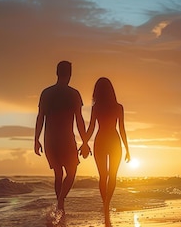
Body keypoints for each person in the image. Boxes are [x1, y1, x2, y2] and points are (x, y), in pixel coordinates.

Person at [34, 61, 88, 212]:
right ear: (70, 74)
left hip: (49, 139)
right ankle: (61, 201)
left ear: (57, 73)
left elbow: (40, 117)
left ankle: (60, 207)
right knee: (71, 172)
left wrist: (36, 139)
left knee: (58, 173)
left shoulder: (46, 93)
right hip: (66, 139)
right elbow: (79, 120)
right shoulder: (74, 94)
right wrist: (84, 141)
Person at [81, 77, 130, 214]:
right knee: (112, 175)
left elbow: (91, 128)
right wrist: (127, 149)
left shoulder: (97, 108)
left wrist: (85, 143)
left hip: (101, 140)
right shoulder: (118, 107)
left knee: (103, 175)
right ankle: (107, 203)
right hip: (114, 141)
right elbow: (122, 129)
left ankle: (105, 204)